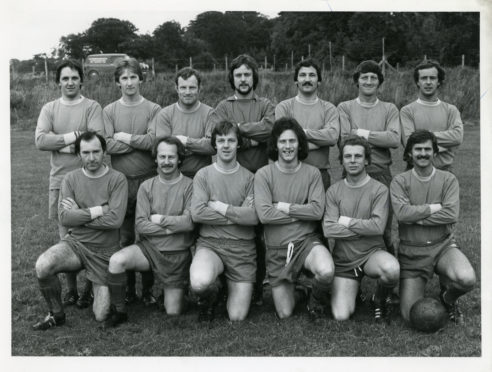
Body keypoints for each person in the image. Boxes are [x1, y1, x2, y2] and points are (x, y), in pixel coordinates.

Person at [32, 132, 128, 330]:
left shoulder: (118, 179)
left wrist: (80, 217)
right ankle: (56, 314)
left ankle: (94, 287)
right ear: (78, 154)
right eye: (86, 152)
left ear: (104, 152)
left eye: (96, 152)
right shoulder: (70, 179)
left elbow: (115, 221)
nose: (91, 158)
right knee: (42, 265)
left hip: (104, 251)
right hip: (75, 244)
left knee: (101, 315)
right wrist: (99, 210)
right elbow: (65, 218)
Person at [35, 60, 103, 309]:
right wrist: (74, 137)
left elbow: (96, 139)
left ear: (81, 80)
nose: (70, 82)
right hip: (60, 181)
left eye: (74, 77)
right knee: (67, 238)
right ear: (58, 82)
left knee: (93, 235)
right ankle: (72, 290)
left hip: (91, 182)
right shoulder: (49, 108)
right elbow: (41, 140)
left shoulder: (92, 106)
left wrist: (62, 144)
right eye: (65, 78)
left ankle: (89, 289)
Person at [105, 137, 194, 327]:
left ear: (179, 158)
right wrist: (173, 227)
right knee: (116, 260)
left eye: (171, 157)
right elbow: (141, 225)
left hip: (177, 255)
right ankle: (119, 311)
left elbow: (189, 224)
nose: (166, 161)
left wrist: (159, 219)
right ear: (155, 158)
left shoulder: (190, 185)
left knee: (173, 312)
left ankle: (181, 290)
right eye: (162, 157)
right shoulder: (147, 186)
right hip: (149, 249)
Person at [208, 54, 275, 305]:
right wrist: (255, 137)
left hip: (258, 179)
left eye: (247, 74)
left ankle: (256, 287)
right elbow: (219, 133)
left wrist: (238, 130)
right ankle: (226, 284)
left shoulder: (266, 104)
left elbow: (271, 128)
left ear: (254, 77)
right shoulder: (223, 106)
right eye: (238, 75)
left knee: (256, 234)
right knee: (228, 232)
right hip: (228, 178)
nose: (243, 79)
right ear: (232, 78)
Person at [390, 130, 475, 323]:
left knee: (466, 279)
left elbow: (451, 215)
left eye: (427, 149)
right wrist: (433, 208)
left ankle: (448, 298)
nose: (423, 153)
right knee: (409, 315)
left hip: (442, 246)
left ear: (435, 153)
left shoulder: (448, 179)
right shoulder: (399, 181)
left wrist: (415, 216)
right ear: (410, 153)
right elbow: (401, 214)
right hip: (413, 252)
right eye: (418, 149)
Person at [254, 117, 334, 319]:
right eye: (283, 142)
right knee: (284, 313)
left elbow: (317, 211)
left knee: (325, 270)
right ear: (275, 145)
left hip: (306, 242)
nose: (287, 146)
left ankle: (316, 301)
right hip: (277, 249)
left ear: (300, 144)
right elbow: (264, 215)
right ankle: (301, 291)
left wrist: (282, 207)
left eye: (292, 141)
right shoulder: (263, 174)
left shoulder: (313, 173)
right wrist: (301, 213)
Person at [103, 58, 161, 305]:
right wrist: (138, 141)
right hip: (121, 182)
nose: (129, 82)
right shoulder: (109, 111)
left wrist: (124, 137)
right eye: (124, 78)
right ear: (118, 82)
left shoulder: (154, 109)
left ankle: (147, 290)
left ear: (141, 79)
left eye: (133, 77)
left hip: (148, 180)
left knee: (147, 237)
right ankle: (127, 290)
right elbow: (107, 144)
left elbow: (153, 143)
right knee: (124, 237)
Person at [323, 135, 399, 322]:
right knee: (341, 315)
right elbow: (329, 229)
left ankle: (378, 299)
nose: (353, 160)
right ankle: (353, 292)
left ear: (366, 160)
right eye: (348, 156)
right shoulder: (334, 191)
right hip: (345, 260)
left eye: (358, 156)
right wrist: (364, 227)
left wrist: (346, 221)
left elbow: (378, 227)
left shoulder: (380, 189)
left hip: (372, 253)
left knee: (391, 269)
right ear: (341, 160)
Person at [190, 121, 259, 321]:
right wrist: (237, 217)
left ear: (238, 144)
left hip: (243, 249)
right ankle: (212, 291)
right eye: (221, 141)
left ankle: (226, 288)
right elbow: (198, 214)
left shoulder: (250, 178)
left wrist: (218, 206)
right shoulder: (203, 175)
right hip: (211, 245)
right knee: (199, 282)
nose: (226, 145)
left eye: (231, 140)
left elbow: (253, 217)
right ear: (215, 144)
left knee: (237, 317)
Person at [338, 60, 400, 254]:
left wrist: (360, 133)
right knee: (350, 226)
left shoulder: (389, 109)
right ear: (357, 81)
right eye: (364, 77)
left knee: (383, 230)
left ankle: (387, 278)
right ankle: (351, 274)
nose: (369, 81)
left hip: (381, 174)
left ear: (379, 82)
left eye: (373, 77)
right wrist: (377, 137)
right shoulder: (345, 107)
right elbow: (344, 141)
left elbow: (394, 139)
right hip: (351, 175)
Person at [275, 58, 340, 190]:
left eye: (312, 75)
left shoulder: (329, 108)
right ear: (296, 81)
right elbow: (282, 141)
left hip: (320, 175)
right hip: (289, 173)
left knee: (319, 211)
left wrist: (301, 133)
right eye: (302, 75)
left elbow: (332, 137)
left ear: (319, 81)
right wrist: (320, 141)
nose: (307, 79)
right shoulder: (284, 107)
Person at [400, 60, 463, 172]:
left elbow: (457, 137)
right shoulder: (407, 111)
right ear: (417, 82)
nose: (428, 82)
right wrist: (444, 144)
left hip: (444, 171)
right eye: (424, 78)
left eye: (432, 78)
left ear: (438, 81)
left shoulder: (451, 110)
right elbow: (409, 142)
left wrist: (420, 137)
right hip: (415, 171)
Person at [155, 67, 214, 178]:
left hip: (202, 177)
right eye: (183, 88)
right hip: (172, 177)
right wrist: (198, 145)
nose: (187, 92)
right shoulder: (165, 114)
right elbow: (164, 149)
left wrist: (185, 142)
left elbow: (212, 147)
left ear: (199, 89)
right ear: (176, 88)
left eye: (192, 88)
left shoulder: (210, 113)